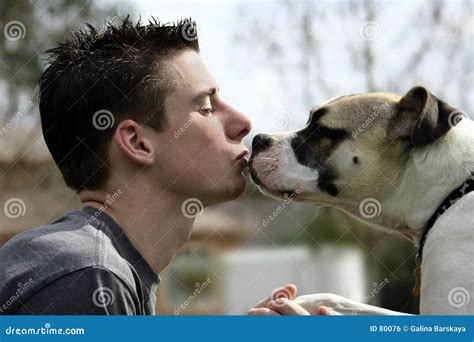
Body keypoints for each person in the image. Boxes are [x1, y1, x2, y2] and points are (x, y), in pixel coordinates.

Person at [0, 17, 251, 315]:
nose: (243, 123)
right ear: (137, 142)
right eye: (206, 107)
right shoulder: (86, 277)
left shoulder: (95, 270)